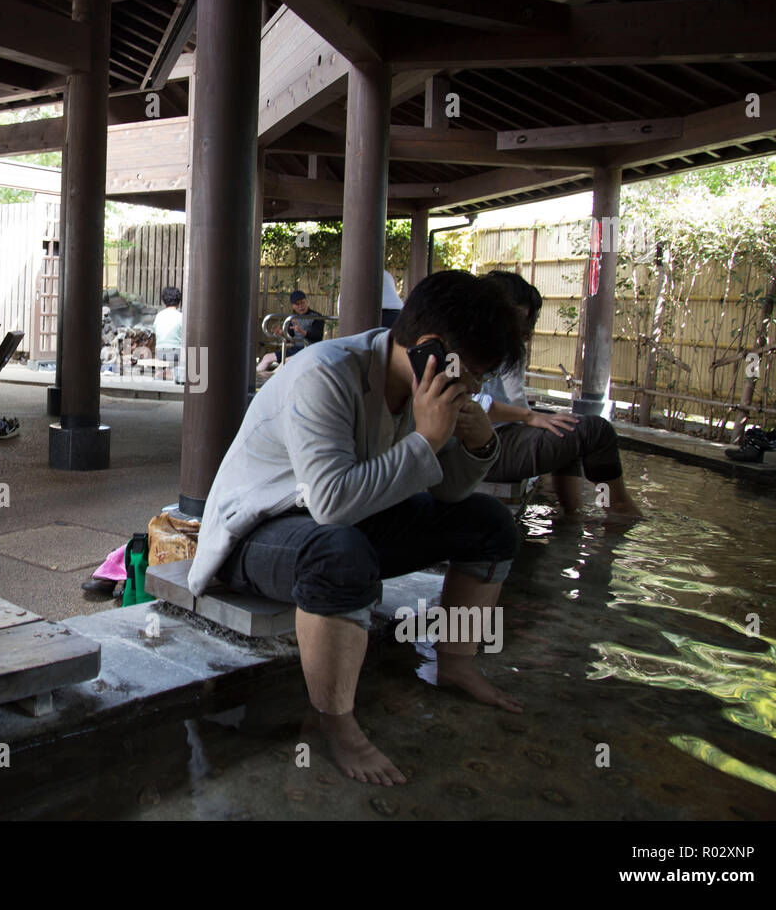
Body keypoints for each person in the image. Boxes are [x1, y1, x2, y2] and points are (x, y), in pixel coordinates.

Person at [189, 270, 527, 786]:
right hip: (256, 533)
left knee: (489, 522)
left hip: (343, 524)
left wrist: (479, 447)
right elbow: (330, 503)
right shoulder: (323, 374)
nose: (475, 389)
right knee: (339, 553)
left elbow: (450, 494)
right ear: (429, 348)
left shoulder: (428, 384)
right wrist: (427, 439)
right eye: (473, 375)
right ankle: (335, 721)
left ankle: (456, 663)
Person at [476, 270, 643, 518]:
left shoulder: (503, 346)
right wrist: (529, 418)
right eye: (517, 316)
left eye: (525, 319)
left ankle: (572, 514)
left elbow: (513, 397)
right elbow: (471, 405)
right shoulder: (463, 346)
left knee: (563, 424)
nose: (521, 328)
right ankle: (617, 510)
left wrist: (533, 420)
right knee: (596, 431)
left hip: (498, 434)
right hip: (480, 448)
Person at [257, 290, 326, 373]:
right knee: (267, 357)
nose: (301, 306)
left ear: (306, 302)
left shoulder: (316, 317)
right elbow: (290, 336)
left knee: (284, 362)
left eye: (302, 303)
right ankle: (254, 378)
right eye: (297, 304)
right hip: (296, 349)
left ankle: (270, 379)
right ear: (293, 306)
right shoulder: (293, 318)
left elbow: (317, 336)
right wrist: (281, 333)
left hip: (309, 349)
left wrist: (301, 331)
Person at [153, 285, 184, 383]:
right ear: (179, 301)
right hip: (177, 354)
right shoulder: (181, 317)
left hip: (160, 352)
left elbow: (155, 333)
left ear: (164, 301)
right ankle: (173, 373)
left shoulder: (159, 316)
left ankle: (165, 372)